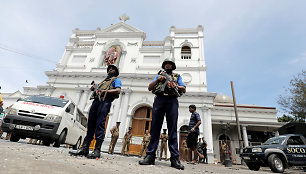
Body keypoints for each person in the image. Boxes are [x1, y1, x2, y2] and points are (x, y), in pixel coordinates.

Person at [139, 58, 186, 170]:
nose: (168, 65)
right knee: (155, 128)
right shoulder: (159, 75)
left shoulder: (177, 76)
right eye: (166, 64)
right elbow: (150, 87)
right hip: (159, 100)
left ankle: (174, 158)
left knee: (173, 129)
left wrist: (175, 85)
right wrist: (158, 80)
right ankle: (150, 156)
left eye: (170, 64)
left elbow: (183, 89)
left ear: (173, 66)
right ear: (164, 65)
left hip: (172, 101)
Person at [69, 64, 121, 159]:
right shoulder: (103, 81)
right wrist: (94, 88)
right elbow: (94, 90)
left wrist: (104, 91)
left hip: (105, 102)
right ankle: (85, 148)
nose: (110, 70)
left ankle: (97, 150)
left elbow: (118, 90)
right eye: (109, 69)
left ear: (116, 72)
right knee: (91, 124)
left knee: (100, 123)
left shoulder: (116, 80)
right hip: (96, 102)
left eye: (113, 69)